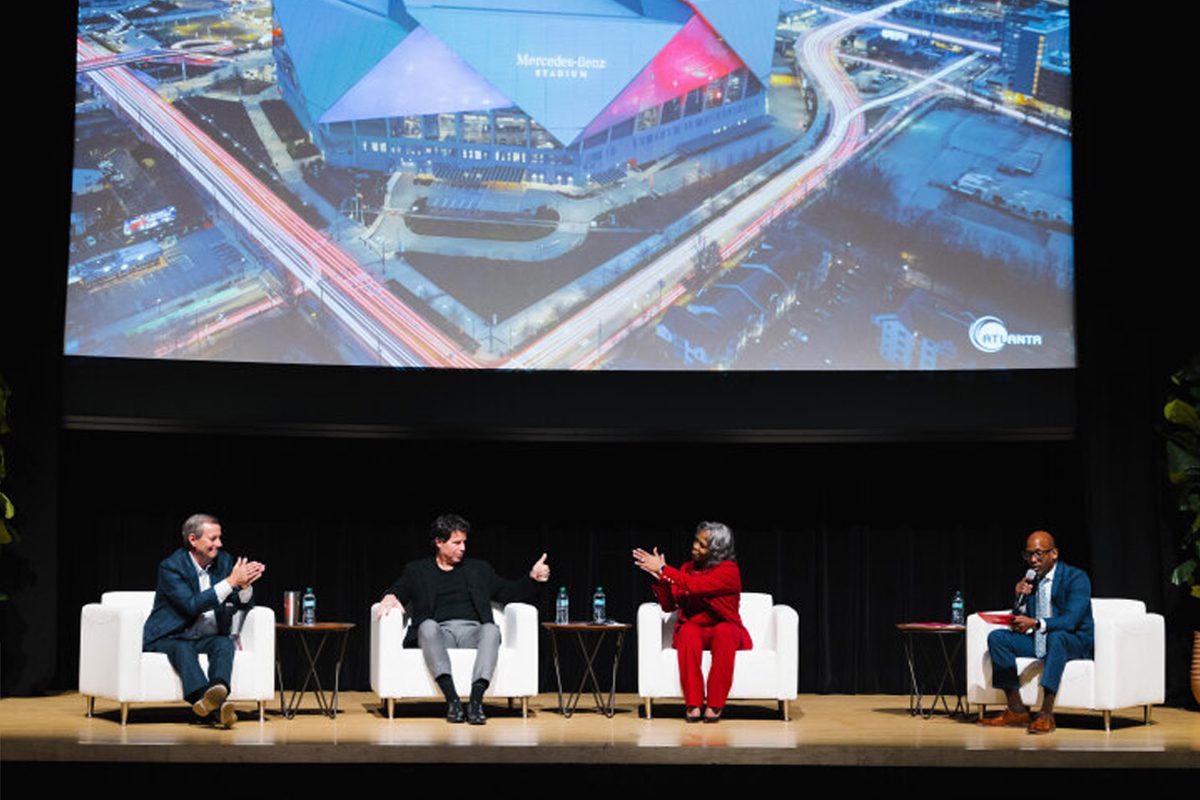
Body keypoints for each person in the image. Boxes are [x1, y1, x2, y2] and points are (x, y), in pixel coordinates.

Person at [377, 513, 550, 725]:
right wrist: (390, 596)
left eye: (464, 542)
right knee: (427, 626)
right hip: (439, 633)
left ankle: (476, 702)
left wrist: (533, 579)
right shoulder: (417, 570)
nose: (463, 548)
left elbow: (508, 593)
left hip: (472, 632)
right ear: (439, 542)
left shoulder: (479, 569)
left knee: (491, 630)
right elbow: (398, 590)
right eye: (456, 542)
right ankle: (453, 701)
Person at [143, 513, 266, 728]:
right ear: (193, 539)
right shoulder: (171, 567)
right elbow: (191, 605)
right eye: (213, 539)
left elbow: (241, 602)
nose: (219, 544)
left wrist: (245, 586)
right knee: (183, 649)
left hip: (204, 638)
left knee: (224, 643)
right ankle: (215, 706)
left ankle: (217, 689)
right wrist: (230, 582)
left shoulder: (224, 561)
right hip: (169, 636)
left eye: (219, 537)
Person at [633, 521, 751, 722]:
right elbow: (669, 606)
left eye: (703, 545)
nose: (695, 546)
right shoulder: (686, 569)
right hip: (697, 627)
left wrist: (664, 569)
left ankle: (715, 705)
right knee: (688, 631)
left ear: (717, 551)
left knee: (724, 633)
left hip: (724, 625)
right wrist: (661, 578)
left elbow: (696, 586)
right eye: (696, 541)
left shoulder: (729, 571)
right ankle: (693, 704)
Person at [979, 530, 1093, 734]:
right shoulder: (1031, 581)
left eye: (1039, 554)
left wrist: (1036, 623)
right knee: (997, 638)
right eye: (1029, 554)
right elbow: (1021, 618)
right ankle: (1016, 709)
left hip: (1073, 641)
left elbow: (1071, 620)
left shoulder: (1076, 578)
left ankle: (1046, 713)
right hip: (1040, 641)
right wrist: (1019, 601)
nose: (1033, 559)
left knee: (1057, 636)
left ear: (1054, 553)